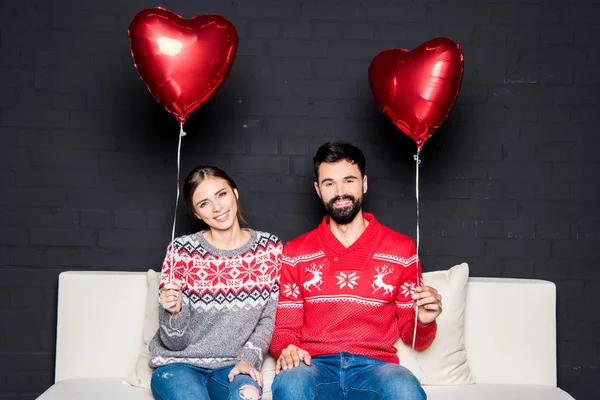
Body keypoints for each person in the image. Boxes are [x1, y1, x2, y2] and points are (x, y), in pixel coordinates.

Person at [269, 142, 443, 400]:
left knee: (405, 390)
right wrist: (287, 348)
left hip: (375, 367)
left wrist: (423, 322)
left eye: (348, 180)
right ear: (318, 190)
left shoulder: (402, 249)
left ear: (364, 183)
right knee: (290, 384)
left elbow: (415, 339)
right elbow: (285, 328)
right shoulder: (295, 252)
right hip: (313, 365)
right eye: (329, 183)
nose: (340, 192)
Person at [149, 166, 282, 400]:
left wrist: (247, 359)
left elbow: (268, 319)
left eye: (222, 194)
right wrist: (175, 311)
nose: (218, 208)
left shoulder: (269, 249)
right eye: (204, 204)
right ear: (197, 213)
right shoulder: (181, 251)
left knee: (248, 396)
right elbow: (174, 343)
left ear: (235, 193)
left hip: (234, 365)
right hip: (180, 367)